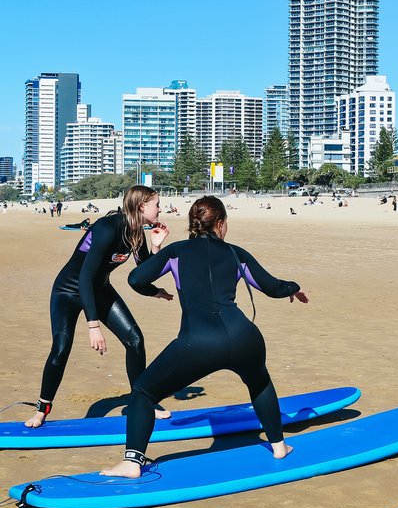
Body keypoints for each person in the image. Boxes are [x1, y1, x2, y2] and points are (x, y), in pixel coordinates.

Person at [101, 195, 308, 476]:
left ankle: (132, 462)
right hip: (245, 337)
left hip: (198, 343)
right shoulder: (236, 253)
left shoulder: (176, 252)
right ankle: (279, 446)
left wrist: (157, 249)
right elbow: (271, 287)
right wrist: (293, 287)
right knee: (259, 382)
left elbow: (136, 279)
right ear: (220, 224)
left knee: (142, 391)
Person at [24, 186, 173, 428]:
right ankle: (42, 409)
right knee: (61, 348)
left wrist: (156, 249)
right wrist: (93, 325)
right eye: (157, 203)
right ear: (142, 205)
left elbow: (141, 276)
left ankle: (140, 402)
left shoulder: (136, 234)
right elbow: (84, 278)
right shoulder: (107, 228)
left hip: (99, 290)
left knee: (135, 339)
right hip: (68, 291)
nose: (161, 208)